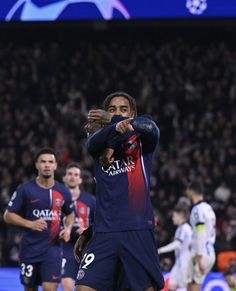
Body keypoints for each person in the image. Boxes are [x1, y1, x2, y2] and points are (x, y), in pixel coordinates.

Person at [74, 91, 164, 291]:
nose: (118, 112)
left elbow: (149, 127)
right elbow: (91, 143)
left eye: (124, 109)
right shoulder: (99, 146)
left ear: (133, 113)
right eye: (112, 109)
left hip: (137, 230)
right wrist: (91, 230)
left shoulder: (143, 142)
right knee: (83, 288)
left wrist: (112, 120)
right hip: (105, 233)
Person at [3, 147, 75, 291]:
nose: (47, 165)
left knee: (50, 288)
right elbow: (8, 215)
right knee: (30, 288)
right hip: (29, 249)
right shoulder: (25, 189)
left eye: (50, 162)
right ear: (36, 165)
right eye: (43, 162)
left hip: (53, 249)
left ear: (55, 166)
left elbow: (70, 213)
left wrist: (67, 228)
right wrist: (30, 223)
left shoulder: (63, 191)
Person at [61, 163, 96, 291]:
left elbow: (98, 222)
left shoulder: (91, 200)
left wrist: (87, 231)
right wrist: (62, 230)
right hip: (65, 247)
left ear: (80, 179)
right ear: (64, 177)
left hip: (86, 247)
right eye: (69, 174)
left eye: (76, 175)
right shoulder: (57, 199)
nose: (72, 177)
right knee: (67, 286)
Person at [186, 181, 216, 291]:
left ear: (191, 192)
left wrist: (199, 255)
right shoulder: (209, 208)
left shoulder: (197, 210)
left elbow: (200, 231)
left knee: (194, 286)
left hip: (201, 253)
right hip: (210, 251)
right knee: (190, 284)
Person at [158, 205, 192, 291]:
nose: (173, 218)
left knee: (184, 287)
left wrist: (160, 250)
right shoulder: (180, 228)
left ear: (180, 215)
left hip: (185, 263)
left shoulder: (185, 228)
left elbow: (177, 244)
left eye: (174, 215)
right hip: (178, 263)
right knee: (171, 286)